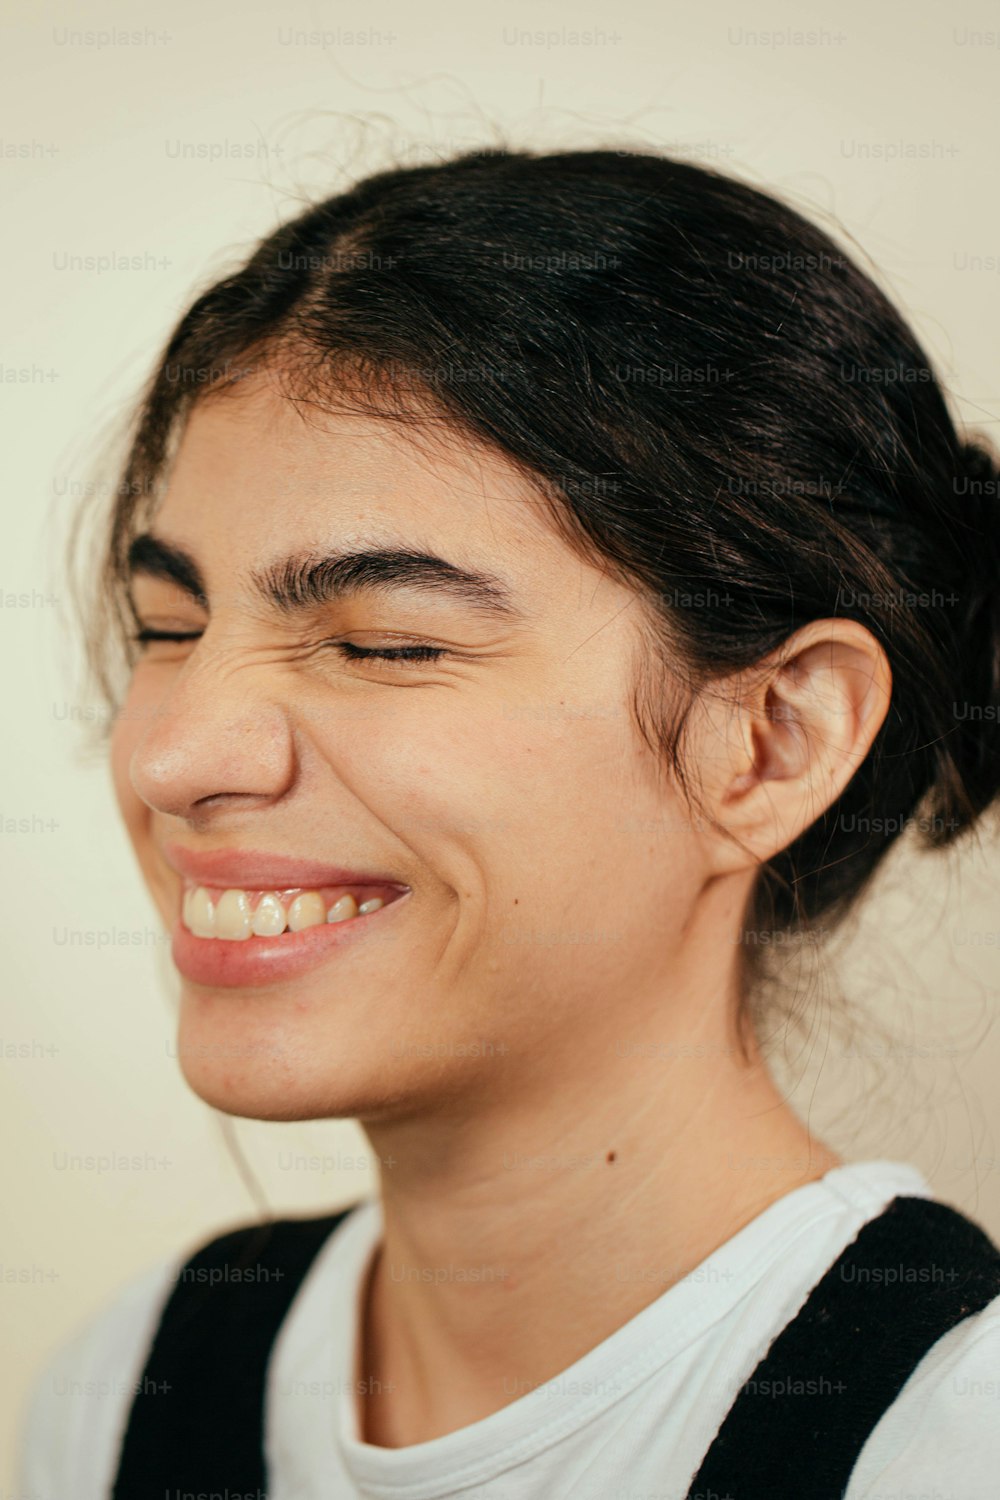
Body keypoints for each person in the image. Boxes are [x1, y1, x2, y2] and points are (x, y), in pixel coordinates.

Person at [19, 147, 1000, 1498]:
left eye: (384, 644)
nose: (177, 753)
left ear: (774, 742)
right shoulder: (131, 1391)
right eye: (168, 627)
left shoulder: (948, 1439)